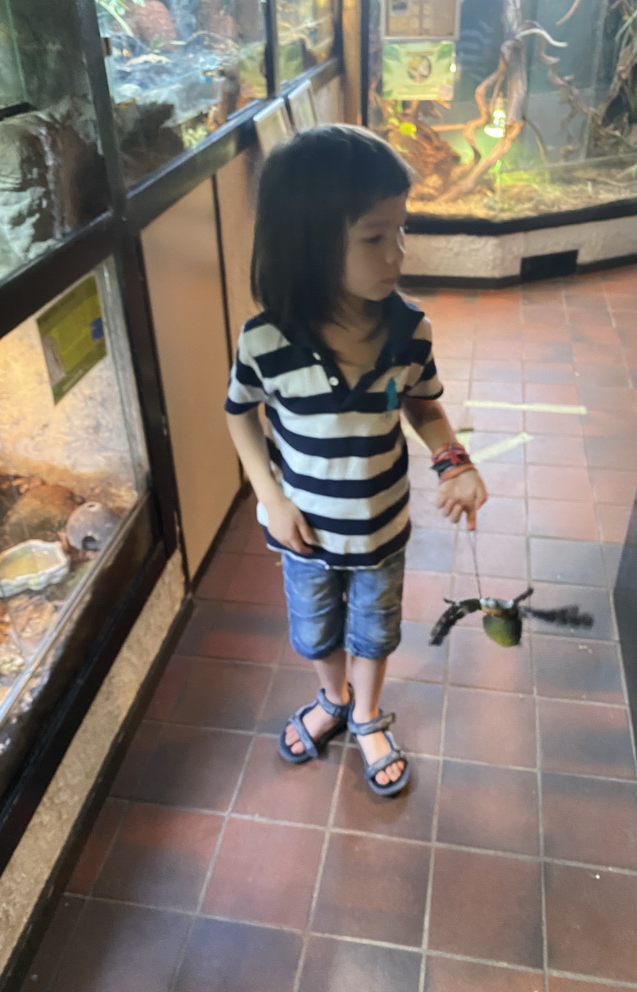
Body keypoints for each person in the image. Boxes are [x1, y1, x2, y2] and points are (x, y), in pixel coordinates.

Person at [225, 124, 487, 797]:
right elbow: (241, 416)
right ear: (307, 244)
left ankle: (367, 713)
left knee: (375, 628)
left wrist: (454, 462)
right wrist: (271, 499)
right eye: (374, 237)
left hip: (381, 528)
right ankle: (332, 698)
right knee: (315, 628)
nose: (396, 254)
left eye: (401, 231)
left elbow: (423, 407)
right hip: (302, 533)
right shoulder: (266, 342)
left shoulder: (409, 330)